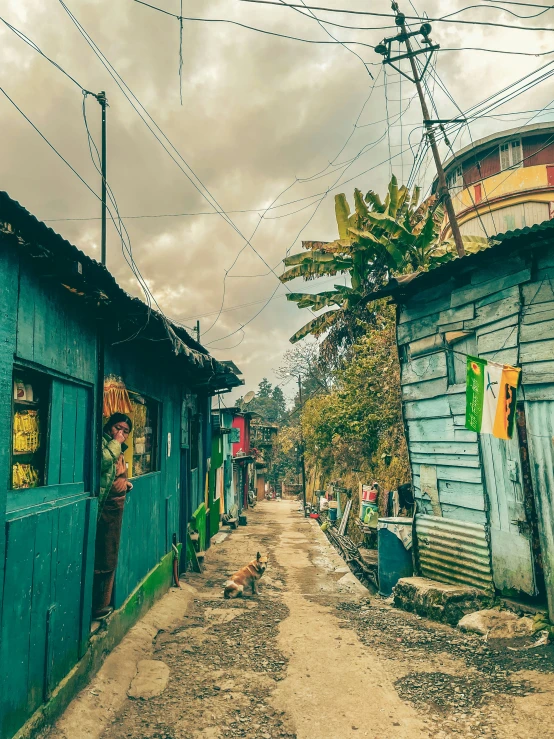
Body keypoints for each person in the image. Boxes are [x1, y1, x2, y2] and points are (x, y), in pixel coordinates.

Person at [92, 413, 133, 619]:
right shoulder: (103, 443)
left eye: (125, 431)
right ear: (109, 427)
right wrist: (116, 442)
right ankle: (98, 606)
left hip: (116, 508)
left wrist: (125, 484)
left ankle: (105, 602)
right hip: (105, 508)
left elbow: (116, 475)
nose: (121, 433)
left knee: (111, 554)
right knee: (104, 554)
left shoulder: (119, 448)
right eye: (118, 428)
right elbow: (102, 463)